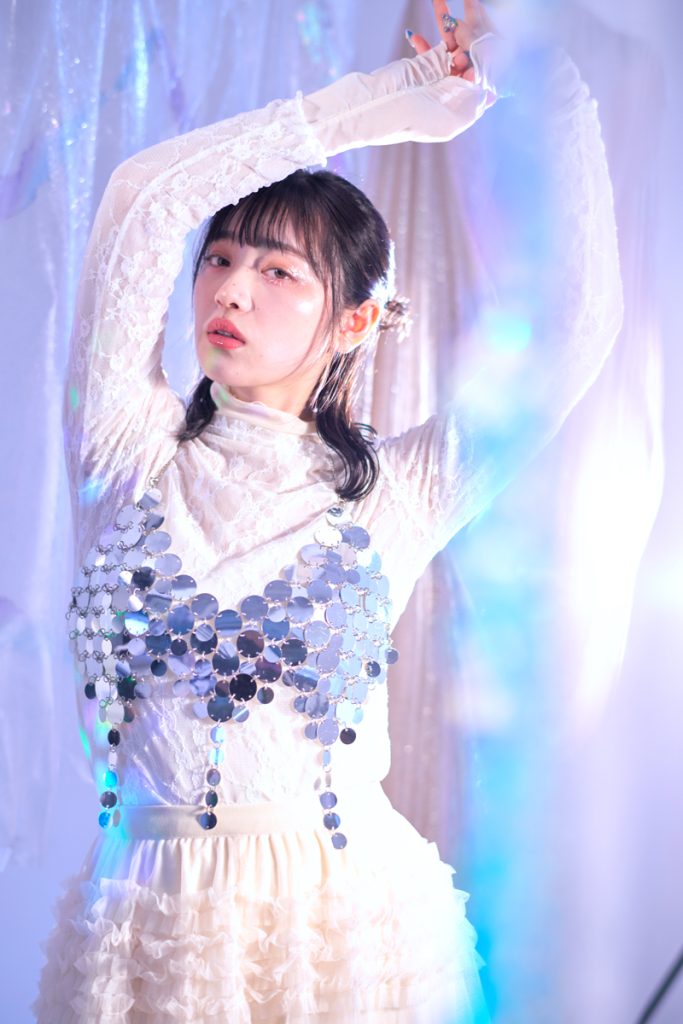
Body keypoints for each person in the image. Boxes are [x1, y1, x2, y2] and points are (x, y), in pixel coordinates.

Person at [34, 1, 622, 1021]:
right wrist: (373, 106)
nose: (232, 290)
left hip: (351, 932)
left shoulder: (399, 490)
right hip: (149, 935)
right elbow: (140, 200)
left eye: (277, 271)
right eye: (220, 258)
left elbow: (571, 326)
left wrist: (537, 73)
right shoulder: (125, 451)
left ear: (354, 321)